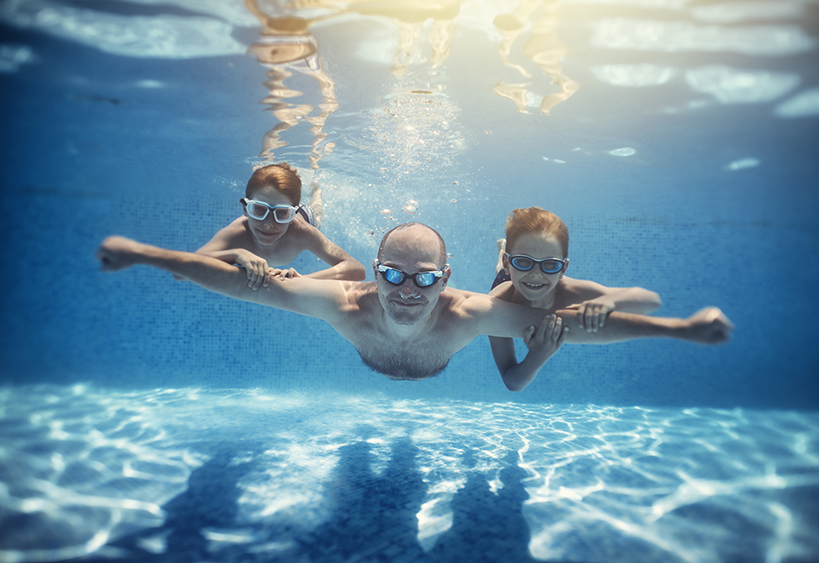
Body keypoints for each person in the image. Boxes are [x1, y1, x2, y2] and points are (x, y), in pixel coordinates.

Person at [96, 223, 733, 381]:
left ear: (447, 278)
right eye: (392, 275)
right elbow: (250, 284)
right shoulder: (343, 303)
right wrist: (146, 254)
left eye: (425, 279)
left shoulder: (473, 313)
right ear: (371, 273)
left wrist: (680, 329)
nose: (407, 290)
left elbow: (570, 326)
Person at [489, 207, 662, 391]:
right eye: (524, 261)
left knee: (513, 271)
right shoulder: (496, 305)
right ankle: (502, 253)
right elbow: (512, 382)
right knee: (500, 271)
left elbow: (651, 300)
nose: (536, 274)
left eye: (550, 264)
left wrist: (610, 301)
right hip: (507, 280)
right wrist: (537, 357)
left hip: (516, 275)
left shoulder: (573, 292)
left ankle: (511, 255)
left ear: (563, 269)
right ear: (511, 263)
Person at [195, 163, 366, 286]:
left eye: (282, 213)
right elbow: (188, 266)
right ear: (246, 209)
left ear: (292, 214)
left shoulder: (302, 232)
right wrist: (235, 254)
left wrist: (304, 280)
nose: (269, 223)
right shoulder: (238, 232)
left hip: (305, 216)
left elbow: (356, 269)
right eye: (259, 210)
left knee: (317, 214)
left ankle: (317, 192)